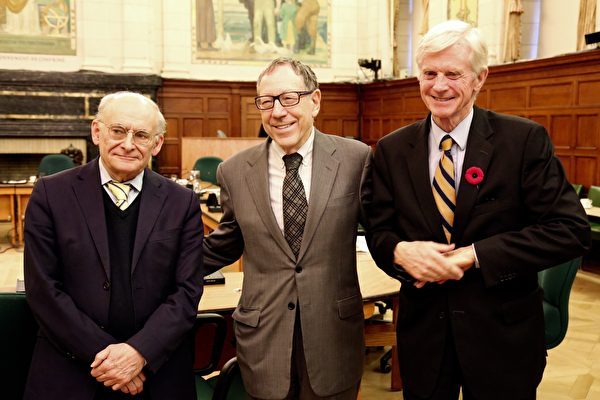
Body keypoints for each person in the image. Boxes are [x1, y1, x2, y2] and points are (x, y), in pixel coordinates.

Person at [364, 20, 591, 400]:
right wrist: (399, 252)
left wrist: (474, 255)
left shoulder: (523, 141)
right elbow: (378, 230)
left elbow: (570, 230)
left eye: (453, 74)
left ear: (480, 78)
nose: (438, 86)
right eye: (429, 73)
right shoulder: (391, 150)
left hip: (503, 338)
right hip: (425, 340)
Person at [202, 57, 371, 399]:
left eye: (289, 98)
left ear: (316, 101)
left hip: (333, 337)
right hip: (263, 341)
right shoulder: (234, 171)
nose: (278, 111)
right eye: (266, 102)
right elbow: (225, 243)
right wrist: (153, 267)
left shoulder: (356, 159)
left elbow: (384, 232)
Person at [23, 91, 204, 400]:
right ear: (97, 132)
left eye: (142, 135)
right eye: (118, 131)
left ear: (157, 144)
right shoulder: (51, 194)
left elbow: (187, 292)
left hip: (156, 374)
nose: (128, 143)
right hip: (71, 370)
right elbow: (44, 289)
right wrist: (110, 360)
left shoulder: (181, 202)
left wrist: (139, 354)